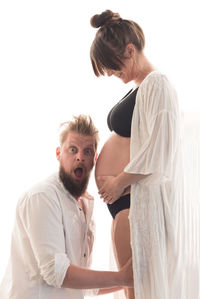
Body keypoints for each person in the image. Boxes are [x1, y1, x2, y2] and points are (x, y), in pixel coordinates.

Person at [90, 10, 189, 299]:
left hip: (135, 203)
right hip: (126, 203)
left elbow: (160, 149)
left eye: (112, 66)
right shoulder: (139, 86)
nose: (110, 73)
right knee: (135, 290)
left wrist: (119, 181)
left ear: (130, 50)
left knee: (141, 291)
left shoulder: (157, 83)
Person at [0, 115, 133, 299]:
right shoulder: (42, 197)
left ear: (94, 159)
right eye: (73, 149)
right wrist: (122, 277)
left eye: (87, 151)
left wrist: (132, 279)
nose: (80, 157)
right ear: (58, 154)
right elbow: (57, 273)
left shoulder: (85, 204)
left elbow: (82, 287)